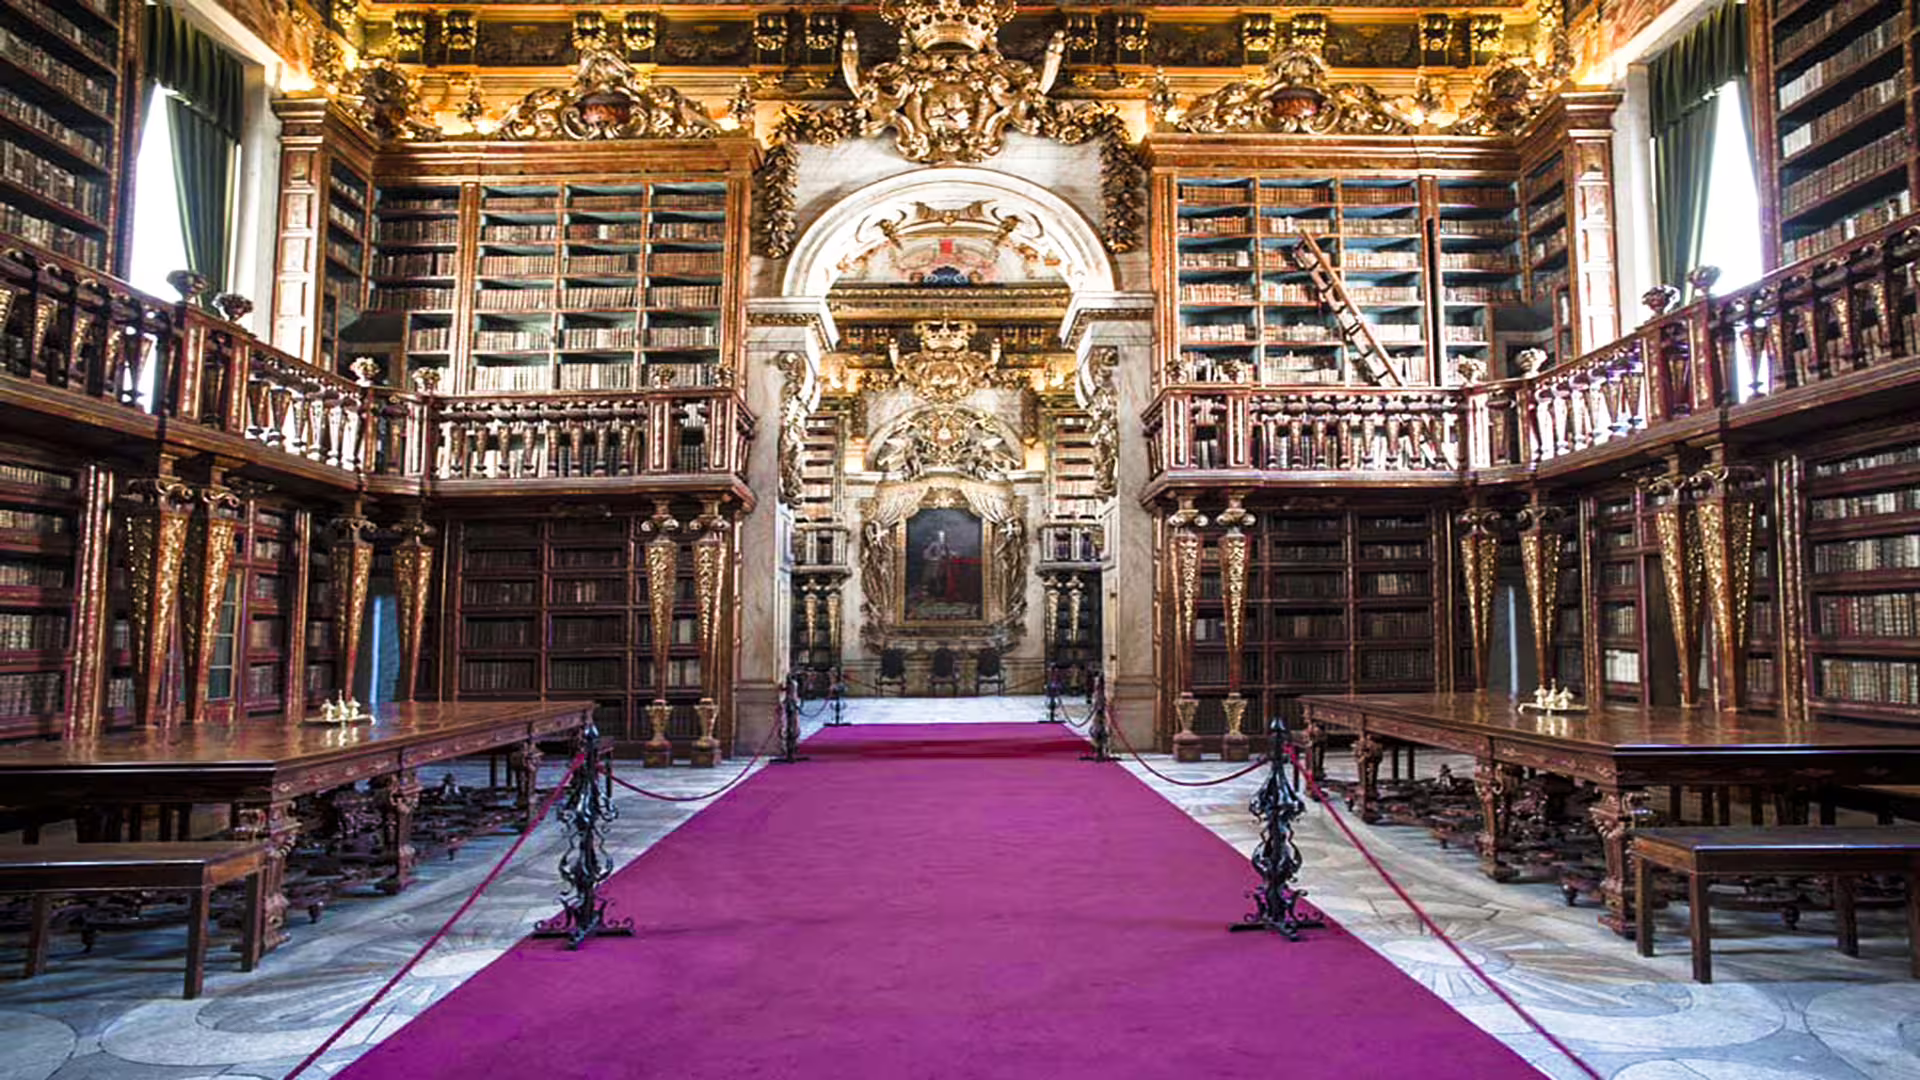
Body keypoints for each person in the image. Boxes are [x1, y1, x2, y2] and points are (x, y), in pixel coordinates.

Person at [921, 529, 952, 599]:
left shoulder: (945, 544)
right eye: (940, 536)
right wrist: (932, 558)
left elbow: (947, 553)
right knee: (933, 576)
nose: (942, 537)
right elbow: (926, 553)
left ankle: (940, 592)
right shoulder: (933, 544)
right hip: (934, 563)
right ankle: (930, 592)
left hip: (944, 564)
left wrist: (951, 555)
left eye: (943, 536)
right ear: (937, 537)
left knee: (943, 577)